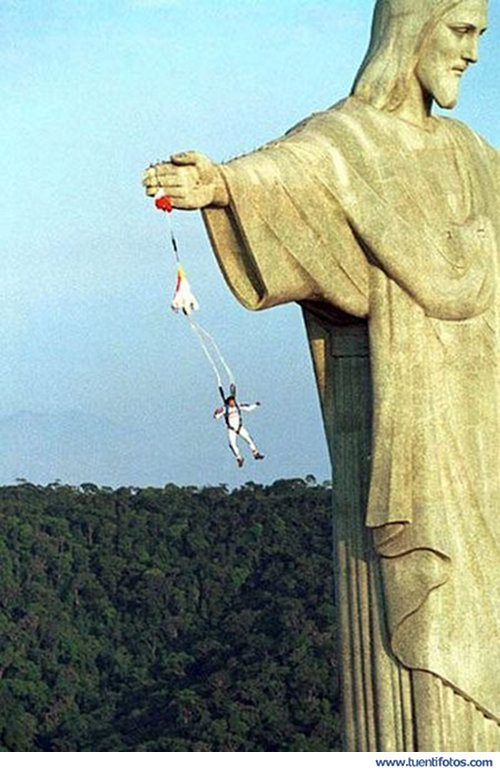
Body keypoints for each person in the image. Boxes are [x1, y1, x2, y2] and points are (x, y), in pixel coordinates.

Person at [143, 0, 500, 751]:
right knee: (416, 662)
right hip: (402, 420)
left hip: (481, 424)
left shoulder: (472, 154)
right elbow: (288, 174)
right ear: (411, 29)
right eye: (461, 30)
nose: (472, 52)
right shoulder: (346, 141)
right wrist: (221, 184)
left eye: (479, 35)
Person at [213, 393, 264, 467]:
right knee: (232, 444)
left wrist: (255, 405)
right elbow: (216, 416)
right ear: (228, 402)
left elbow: (248, 408)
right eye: (231, 402)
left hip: (239, 427)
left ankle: (255, 453)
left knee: (249, 439)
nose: (233, 403)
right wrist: (216, 412)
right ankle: (239, 458)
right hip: (231, 429)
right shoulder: (224, 409)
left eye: (233, 401)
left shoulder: (238, 406)